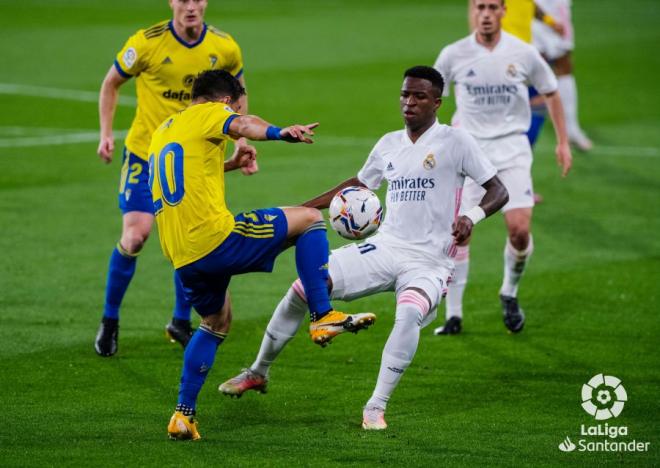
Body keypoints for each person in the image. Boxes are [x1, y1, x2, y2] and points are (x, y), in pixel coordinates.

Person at [218, 66, 508, 430]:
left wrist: (472, 216)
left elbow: (499, 190)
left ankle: (375, 407)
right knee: (306, 287)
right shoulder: (389, 143)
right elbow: (359, 184)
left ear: (437, 102)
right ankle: (258, 371)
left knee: (408, 315)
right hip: (386, 246)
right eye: (405, 95)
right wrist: (303, 209)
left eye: (419, 96)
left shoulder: (457, 142)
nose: (409, 102)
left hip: (430, 262)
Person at [152, 70, 376, 440]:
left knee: (216, 321)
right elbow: (244, 124)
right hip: (213, 239)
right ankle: (322, 315)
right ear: (226, 100)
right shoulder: (211, 113)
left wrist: (230, 164)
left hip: (181, 254)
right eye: (235, 103)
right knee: (308, 219)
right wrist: (279, 132)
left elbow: (184, 171)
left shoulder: (165, 130)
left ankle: (183, 414)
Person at [95, 0, 255, 357]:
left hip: (192, 158)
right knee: (136, 236)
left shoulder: (224, 46)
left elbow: (238, 95)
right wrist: (106, 133)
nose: (191, 6)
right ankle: (110, 319)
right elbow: (110, 83)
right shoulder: (148, 43)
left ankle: (180, 321)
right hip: (144, 153)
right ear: (172, 2)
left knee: (190, 236)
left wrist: (240, 141)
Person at [433, 0, 572, 335]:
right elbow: (431, 97)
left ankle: (509, 291)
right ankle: (454, 315)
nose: (485, 13)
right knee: (459, 232)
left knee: (520, 231)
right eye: (480, 6)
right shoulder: (454, 54)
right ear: (472, 11)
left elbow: (552, 92)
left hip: (512, 150)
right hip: (469, 153)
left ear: (503, 12)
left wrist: (563, 142)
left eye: (492, 7)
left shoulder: (523, 53)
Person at [533, 0, 592, 151]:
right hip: (535, 16)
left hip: (558, 10)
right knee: (533, 69)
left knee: (564, 65)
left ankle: (571, 128)